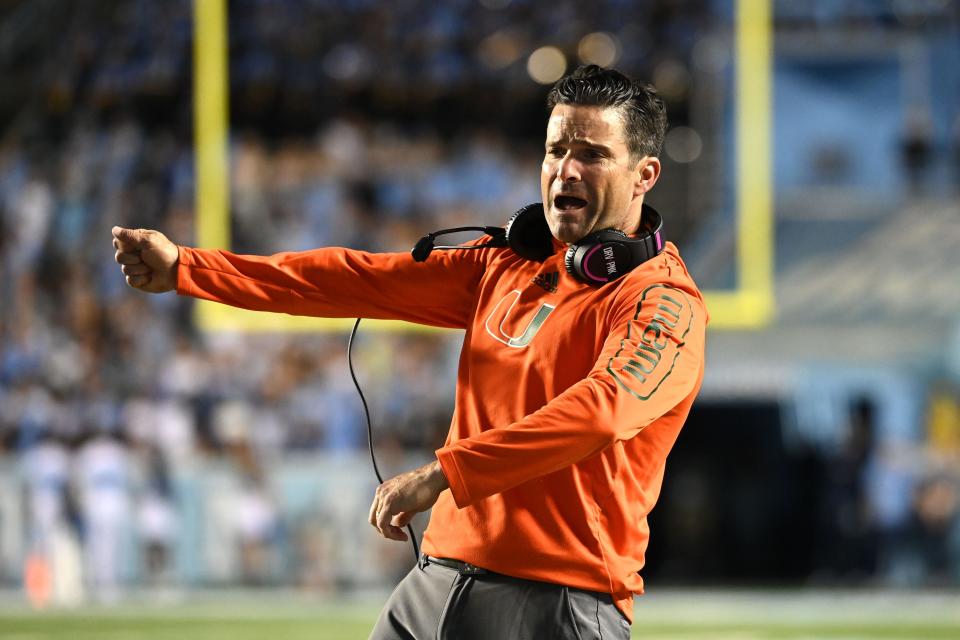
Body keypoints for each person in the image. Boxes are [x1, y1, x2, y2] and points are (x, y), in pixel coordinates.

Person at [112, 65, 708, 638]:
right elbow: (354, 279)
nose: (566, 171)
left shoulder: (663, 302)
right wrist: (191, 269)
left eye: (593, 155)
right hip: (435, 581)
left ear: (645, 174)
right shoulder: (505, 264)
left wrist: (443, 475)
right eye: (555, 150)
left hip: (558, 600)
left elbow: (600, 411)